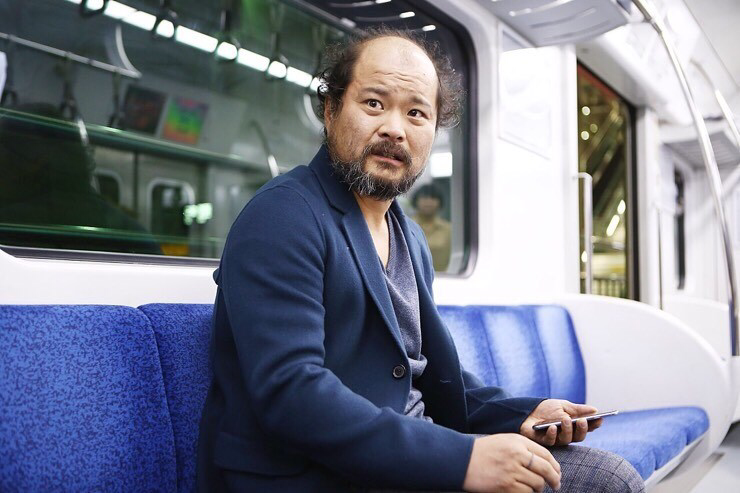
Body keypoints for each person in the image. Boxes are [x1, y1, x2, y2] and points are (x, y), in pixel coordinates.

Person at [196, 27, 644, 493]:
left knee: (602, 477)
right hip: (319, 473)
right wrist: (463, 459)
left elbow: (428, 373)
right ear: (331, 110)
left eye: (416, 113)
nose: (395, 128)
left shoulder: (408, 236)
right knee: (605, 483)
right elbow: (291, 392)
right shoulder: (284, 215)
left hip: (407, 456)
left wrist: (522, 414)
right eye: (374, 103)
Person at [412, 184, 451, 271]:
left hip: (444, 276)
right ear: (416, 201)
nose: (428, 202)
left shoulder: (448, 230)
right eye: (424, 198)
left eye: (433, 198)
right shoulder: (406, 227)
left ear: (439, 202)